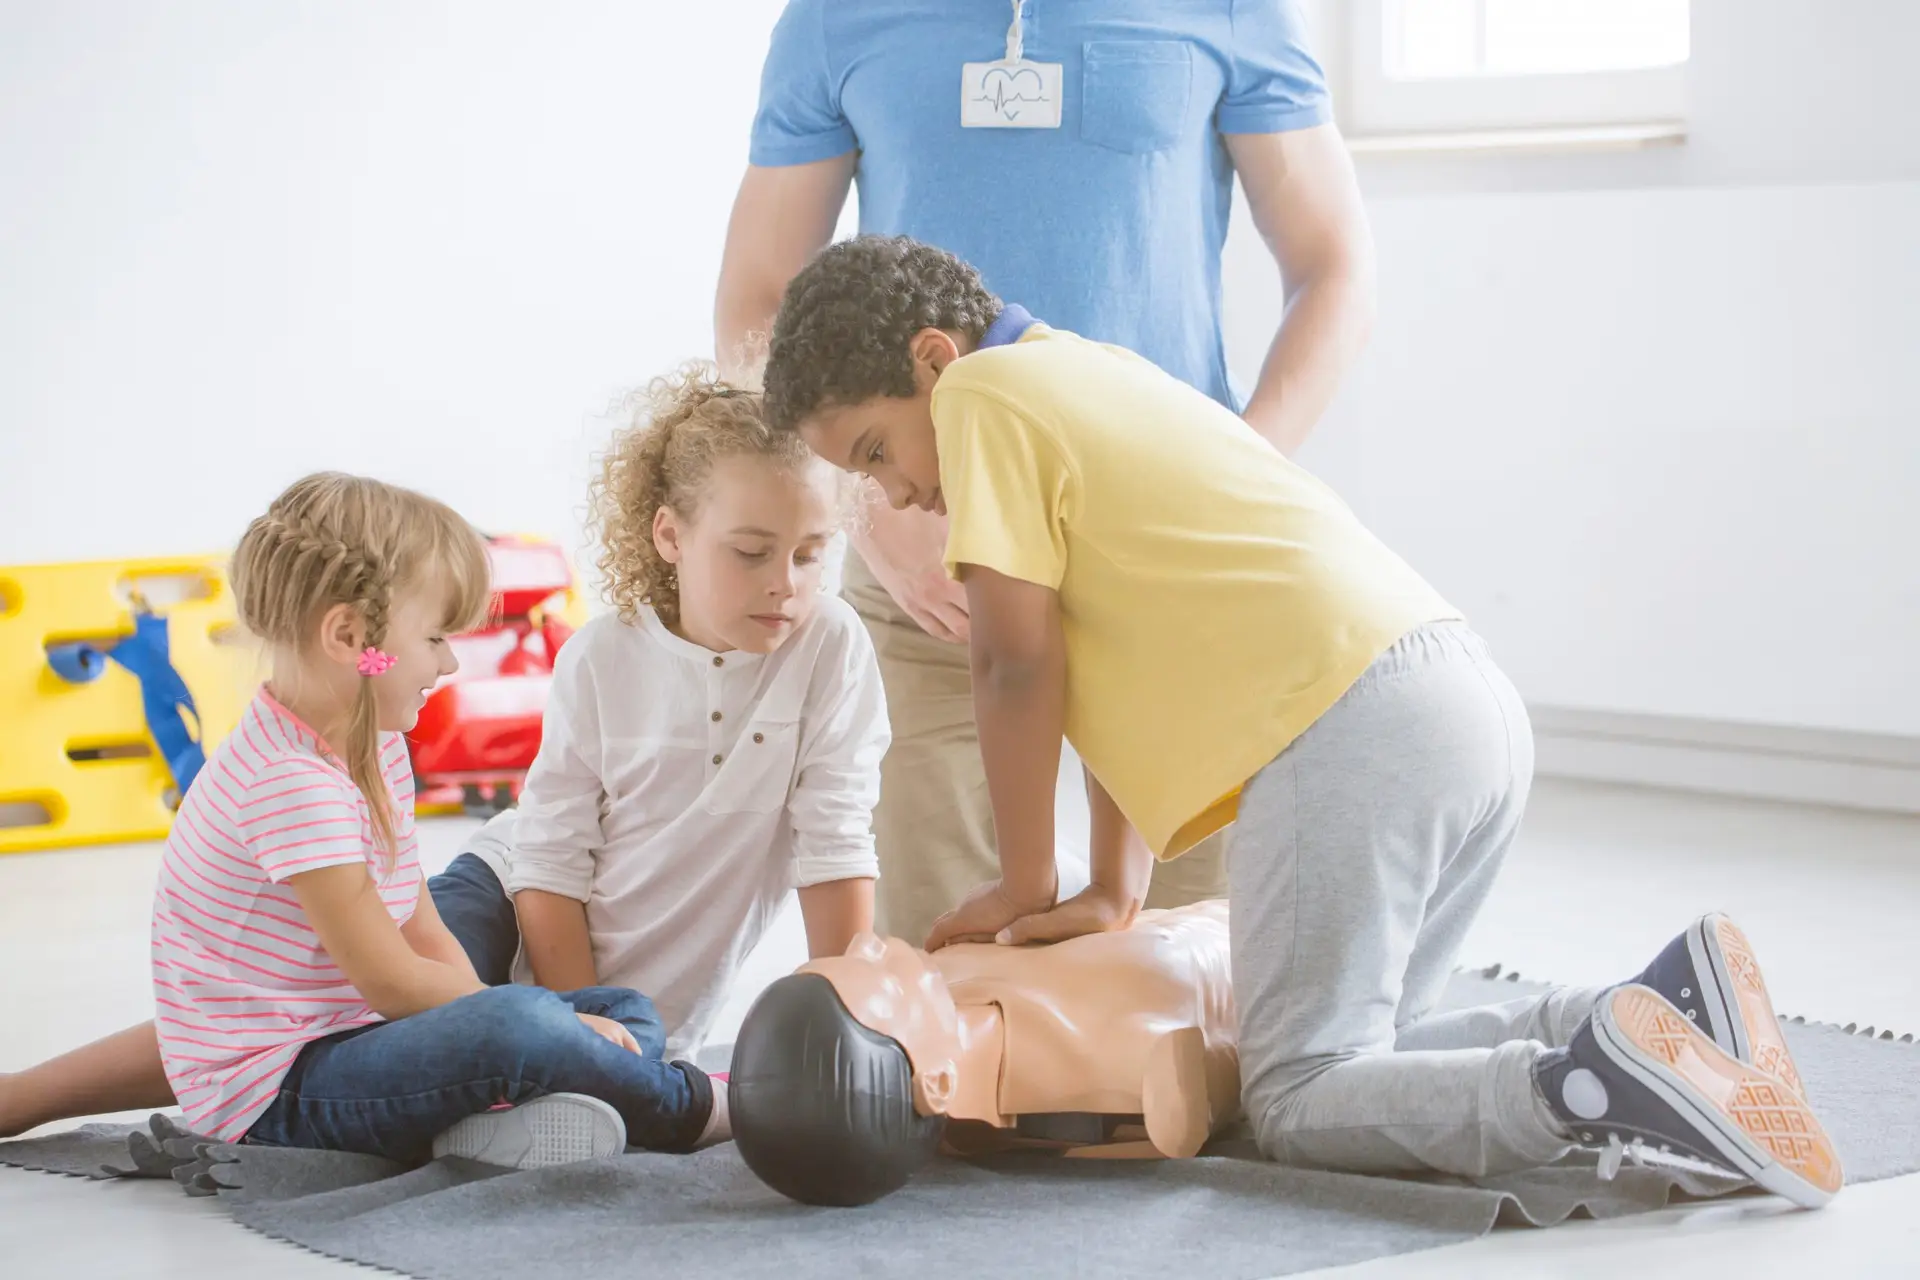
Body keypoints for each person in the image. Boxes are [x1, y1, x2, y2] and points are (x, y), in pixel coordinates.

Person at [755, 235, 1844, 1210]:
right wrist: (1111, 883)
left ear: (932, 361)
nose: (893, 495)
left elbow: (1016, 662)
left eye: (874, 452)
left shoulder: (982, 402)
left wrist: (1027, 877)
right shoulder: (1083, 371)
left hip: (1348, 731)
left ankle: (1588, 1090)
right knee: (1379, 1061)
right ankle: (1662, 1013)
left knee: (1295, 1093)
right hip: (1454, 695)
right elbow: (1094, 657)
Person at [1, 377, 891, 1155]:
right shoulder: (296, 785)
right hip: (302, 1066)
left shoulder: (372, 744)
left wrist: (536, 1025)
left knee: (597, 1022)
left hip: (342, 1016)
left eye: (812, 553)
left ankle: (526, 1088)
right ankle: (691, 1107)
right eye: (435, 639)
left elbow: (412, 922)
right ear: (354, 640)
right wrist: (526, 1024)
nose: (452, 665)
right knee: (532, 1028)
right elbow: (392, 978)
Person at [714, 0, 1376, 945]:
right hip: (927, 557)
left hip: (1168, 559)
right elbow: (756, 298)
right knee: (951, 967)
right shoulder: (833, 17)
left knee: (1196, 976)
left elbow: (1335, 264)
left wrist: (1235, 472)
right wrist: (874, 509)